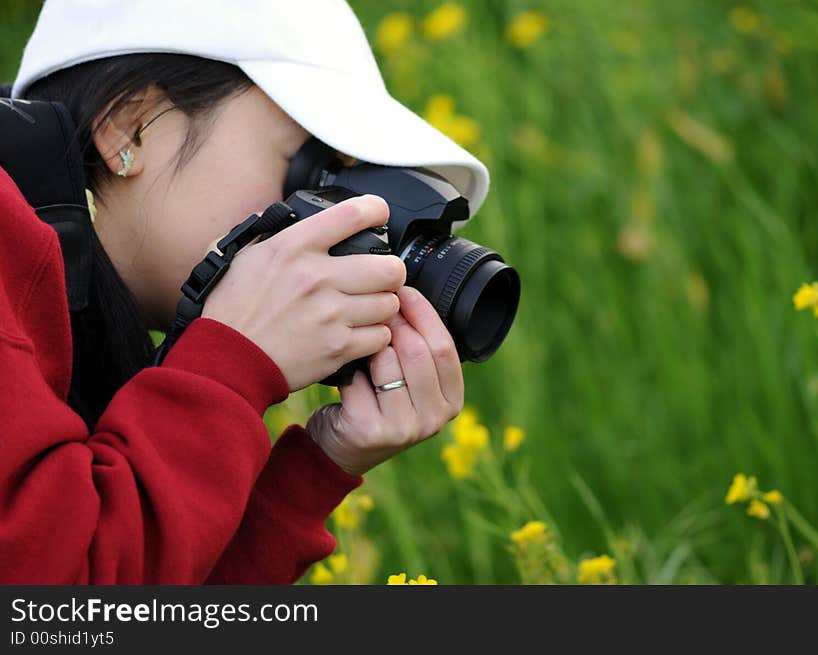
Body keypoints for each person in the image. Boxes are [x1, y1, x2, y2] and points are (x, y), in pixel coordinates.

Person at [0, 0, 489, 584]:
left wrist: (320, 465)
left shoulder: (85, 322)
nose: (332, 224)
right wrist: (227, 364)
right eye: (308, 172)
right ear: (129, 126)